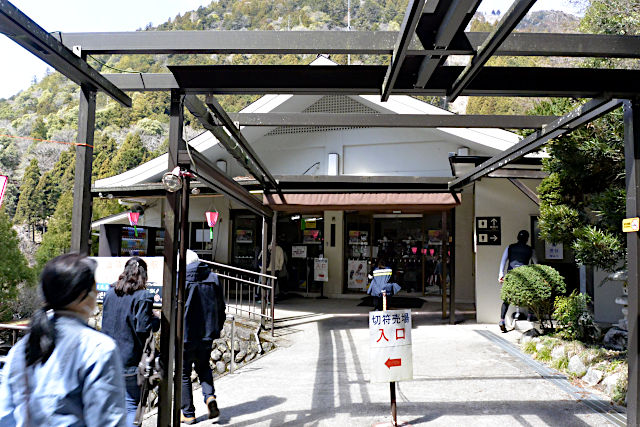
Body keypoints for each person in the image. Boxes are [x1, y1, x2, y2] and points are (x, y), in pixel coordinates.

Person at [0, 253, 127, 426]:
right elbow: (109, 421)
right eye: (94, 287)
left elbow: (5, 416)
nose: (97, 293)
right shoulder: (98, 349)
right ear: (83, 295)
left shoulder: (21, 349)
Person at [102, 257, 159, 426]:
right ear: (144, 275)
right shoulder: (143, 296)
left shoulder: (110, 292)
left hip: (108, 358)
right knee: (131, 405)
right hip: (130, 361)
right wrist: (156, 320)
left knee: (111, 407)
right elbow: (143, 328)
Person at [181, 250, 226, 424]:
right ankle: (210, 398)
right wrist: (218, 327)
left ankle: (188, 413)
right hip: (207, 333)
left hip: (186, 334)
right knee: (204, 367)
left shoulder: (181, 279)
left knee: (184, 373)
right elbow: (220, 306)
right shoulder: (213, 278)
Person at [498, 230, 537, 332]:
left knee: (507, 299)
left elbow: (503, 261)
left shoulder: (510, 247)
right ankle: (529, 315)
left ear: (517, 237)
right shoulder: (530, 249)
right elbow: (536, 263)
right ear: (527, 239)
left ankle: (502, 320)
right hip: (524, 275)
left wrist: (501, 274)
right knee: (529, 296)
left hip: (511, 274)